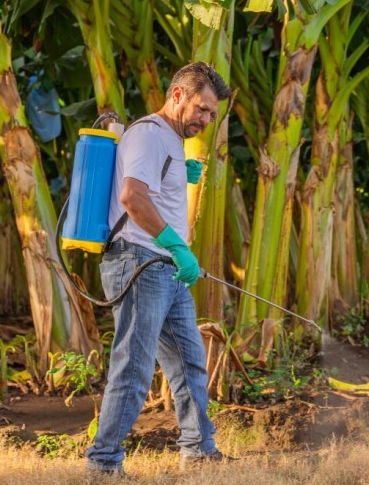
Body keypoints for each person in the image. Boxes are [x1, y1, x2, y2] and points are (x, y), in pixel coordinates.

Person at [85, 62, 233, 479]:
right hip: (140, 262)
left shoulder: (167, 141)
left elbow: (148, 187)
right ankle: (103, 464)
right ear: (177, 94)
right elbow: (133, 198)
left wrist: (175, 176)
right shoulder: (150, 134)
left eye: (211, 115)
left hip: (164, 267)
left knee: (188, 362)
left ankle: (199, 450)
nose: (205, 120)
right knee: (133, 368)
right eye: (202, 109)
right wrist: (176, 247)